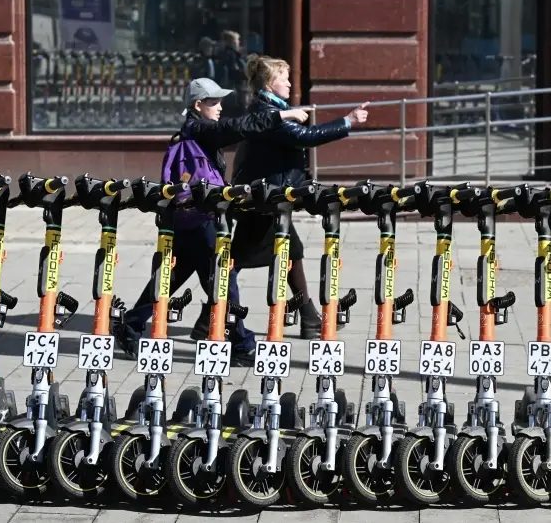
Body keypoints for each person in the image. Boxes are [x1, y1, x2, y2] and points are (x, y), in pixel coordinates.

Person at [115, 77, 309, 359]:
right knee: (224, 281)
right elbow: (238, 127)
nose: (220, 107)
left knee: (169, 279)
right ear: (198, 105)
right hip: (203, 219)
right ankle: (242, 344)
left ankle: (131, 326)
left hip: (187, 218)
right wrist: (281, 115)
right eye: (214, 101)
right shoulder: (200, 130)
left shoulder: (192, 131)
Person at [230, 54, 369, 339]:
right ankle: (215, 314)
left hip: (271, 198)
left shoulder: (274, 109)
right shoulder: (268, 114)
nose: (291, 84)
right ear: (270, 84)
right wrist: (348, 121)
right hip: (262, 200)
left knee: (291, 251)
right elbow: (306, 137)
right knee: (232, 261)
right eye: (285, 79)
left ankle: (308, 319)